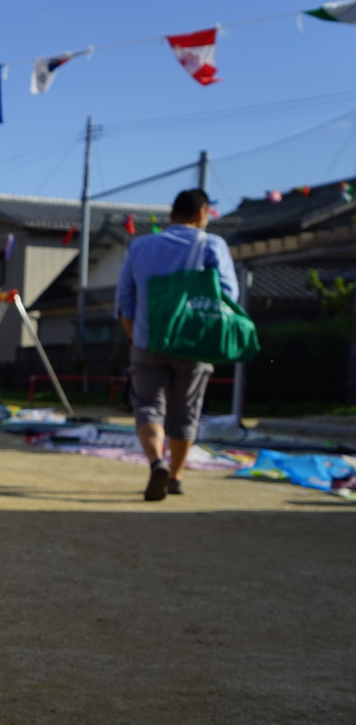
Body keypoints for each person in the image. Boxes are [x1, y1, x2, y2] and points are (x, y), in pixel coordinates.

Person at [116, 188, 237, 501]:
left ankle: (157, 461)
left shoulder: (140, 246)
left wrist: (136, 336)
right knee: (186, 411)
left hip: (147, 340)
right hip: (193, 343)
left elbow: (124, 301)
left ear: (171, 216)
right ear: (202, 213)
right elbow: (228, 295)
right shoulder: (212, 244)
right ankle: (175, 476)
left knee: (147, 407)